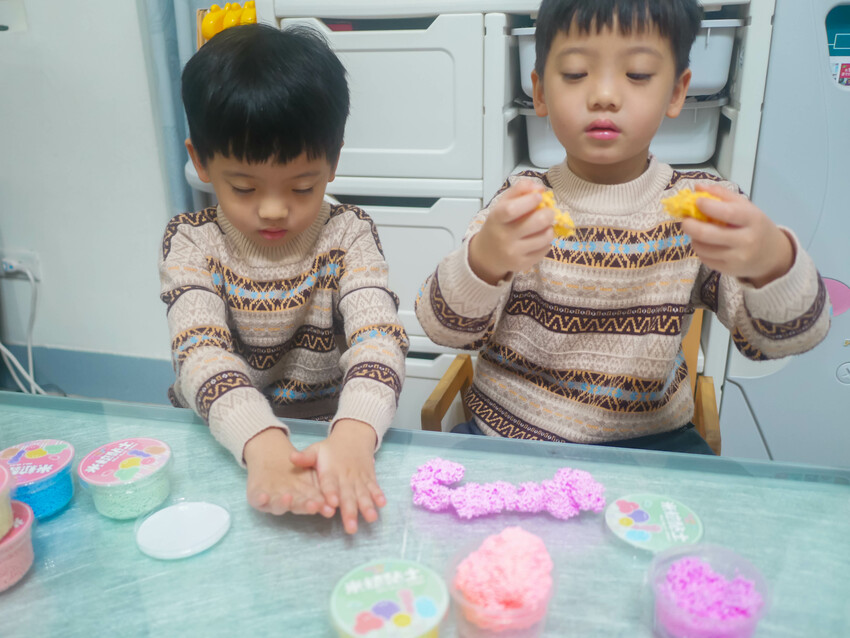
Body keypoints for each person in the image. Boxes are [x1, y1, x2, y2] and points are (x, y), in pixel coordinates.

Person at [415, 0, 830, 454]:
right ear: (540, 93)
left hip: (652, 445)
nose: (605, 96)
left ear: (676, 92)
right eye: (575, 73)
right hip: (509, 435)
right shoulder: (518, 202)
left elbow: (784, 339)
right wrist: (483, 261)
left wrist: (772, 264)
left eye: (637, 74)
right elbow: (443, 329)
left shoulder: (699, 208)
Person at [159, 24, 408, 533]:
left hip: (327, 437)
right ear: (200, 161)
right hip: (228, 434)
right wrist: (262, 442)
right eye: (244, 187)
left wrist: (355, 432)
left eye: (301, 186)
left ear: (333, 161)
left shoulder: (348, 234)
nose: (273, 210)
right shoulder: (191, 242)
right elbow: (200, 354)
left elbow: (379, 340)